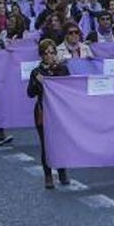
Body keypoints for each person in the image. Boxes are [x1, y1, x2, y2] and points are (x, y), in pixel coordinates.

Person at [27, 39, 71, 189]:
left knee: (60, 141)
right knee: (46, 144)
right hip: (43, 110)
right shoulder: (36, 72)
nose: (50, 56)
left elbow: (68, 88)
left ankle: (62, 170)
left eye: (52, 53)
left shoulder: (62, 69)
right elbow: (30, 94)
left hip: (59, 112)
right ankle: (48, 175)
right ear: (41, 55)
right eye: (46, 53)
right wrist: (37, 82)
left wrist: (49, 80)